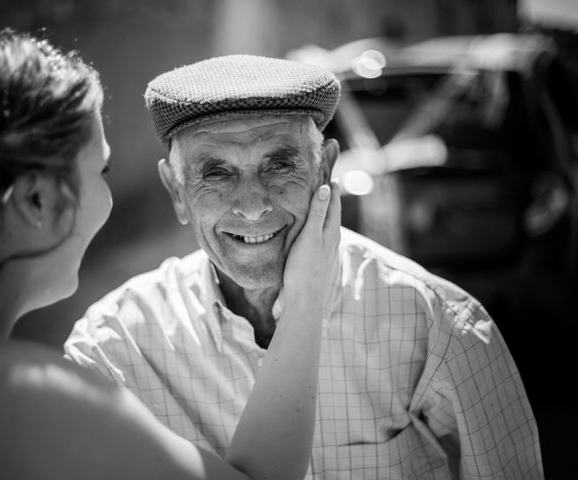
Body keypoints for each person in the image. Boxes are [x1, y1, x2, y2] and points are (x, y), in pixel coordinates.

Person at [65, 54, 545, 479]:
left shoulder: (436, 325)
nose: (252, 206)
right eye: (217, 172)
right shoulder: (118, 349)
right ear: (176, 191)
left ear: (326, 169)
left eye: (279, 165)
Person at [0, 31, 342, 480]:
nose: (251, 205)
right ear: (36, 200)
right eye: (101, 170)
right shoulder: (30, 395)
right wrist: (304, 298)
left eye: (280, 164)